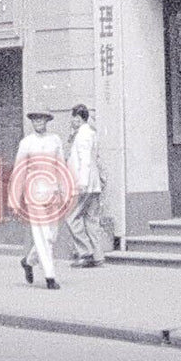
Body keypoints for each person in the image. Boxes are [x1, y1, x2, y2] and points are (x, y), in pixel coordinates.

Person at [15, 109, 67, 290]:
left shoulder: (55, 141)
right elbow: (19, 170)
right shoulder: (26, 143)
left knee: (51, 236)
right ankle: (50, 276)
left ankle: (28, 261)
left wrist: (63, 190)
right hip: (34, 192)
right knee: (42, 235)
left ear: (47, 121)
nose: (38, 122)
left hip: (52, 192)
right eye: (34, 119)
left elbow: (61, 167)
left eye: (41, 119)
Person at [65, 104, 105, 268]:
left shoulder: (83, 135)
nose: (72, 121)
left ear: (79, 118)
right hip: (93, 185)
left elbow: (85, 160)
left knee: (71, 217)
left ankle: (85, 252)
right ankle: (98, 255)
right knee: (91, 220)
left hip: (84, 184)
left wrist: (82, 182)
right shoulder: (91, 133)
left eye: (74, 117)